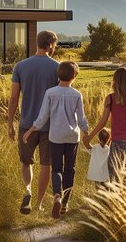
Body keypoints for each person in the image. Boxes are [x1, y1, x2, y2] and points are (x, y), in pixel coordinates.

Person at [23, 61, 89, 219]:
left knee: (57, 169)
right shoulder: (77, 94)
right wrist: (87, 133)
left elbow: (43, 117)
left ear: (58, 75)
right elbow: (81, 120)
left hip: (55, 136)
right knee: (70, 169)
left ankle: (57, 196)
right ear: (74, 76)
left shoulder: (50, 93)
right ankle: (65, 203)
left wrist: (31, 130)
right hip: (72, 137)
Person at [8, 30, 59, 214]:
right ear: (50, 44)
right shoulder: (57, 67)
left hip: (26, 124)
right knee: (47, 164)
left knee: (26, 162)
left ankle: (27, 189)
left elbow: (13, 99)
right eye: (55, 45)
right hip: (49, 126)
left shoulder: (20, 66)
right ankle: (38, 205)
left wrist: (10, 125)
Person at [85, 67, 126, 183]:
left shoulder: (110, 99)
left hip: (118, 141)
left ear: (115, 82)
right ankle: (124, 194)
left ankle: (117, 196)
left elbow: (103, 122)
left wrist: (89, 137)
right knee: (125, 168)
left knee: (113, 171)